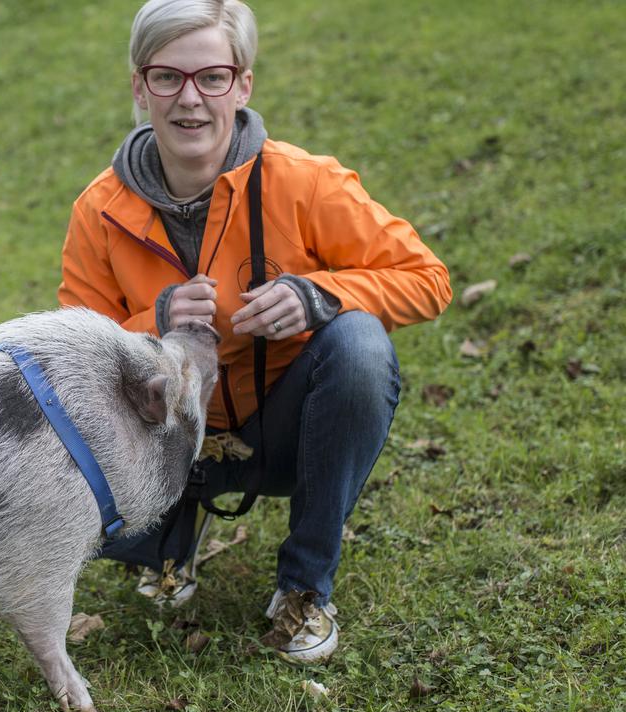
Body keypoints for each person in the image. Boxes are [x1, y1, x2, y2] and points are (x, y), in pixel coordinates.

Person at [57, 0, 451, 664]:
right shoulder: (99, 211)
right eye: (166, 77)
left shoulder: (305, 181)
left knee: (360, 346)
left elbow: (427, 277)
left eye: (211, 77)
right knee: (65, 485)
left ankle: (305, 585)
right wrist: (153, 326)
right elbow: (70, 354)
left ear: (242, 85)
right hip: (168, 437)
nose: (190, 99)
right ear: (138, 85)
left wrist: (321, 294)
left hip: (287, 433)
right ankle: (169, 534)